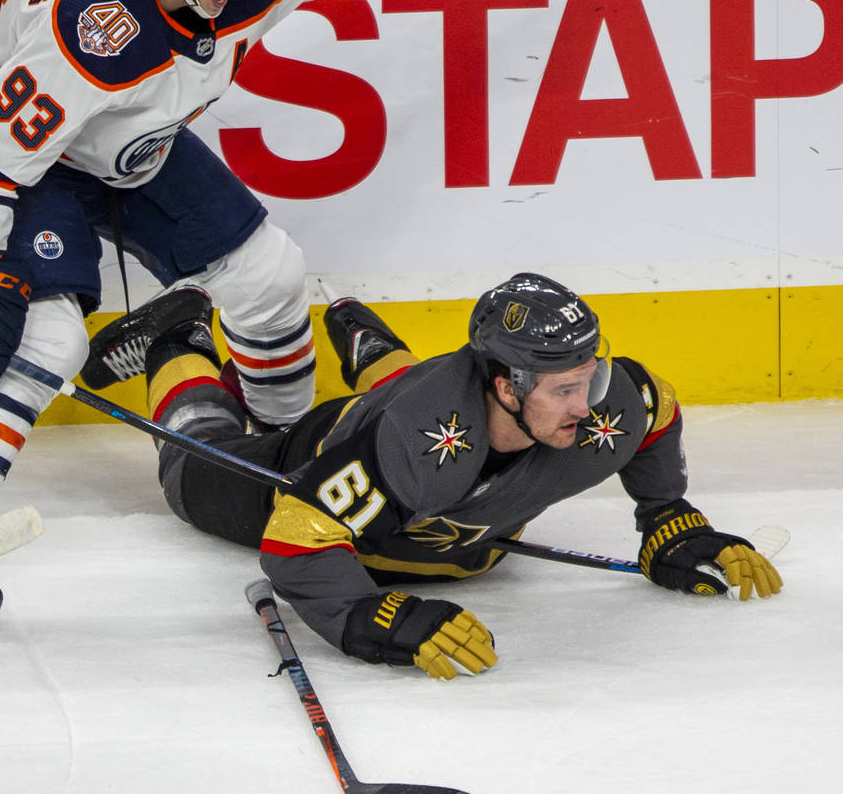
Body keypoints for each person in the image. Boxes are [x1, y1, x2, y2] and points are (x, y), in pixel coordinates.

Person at [0, 0, 520, 637]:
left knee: (270, 276)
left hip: (134, 141)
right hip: (28, 159)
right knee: (43, 339)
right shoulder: (91, 33)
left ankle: (275, 470)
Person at [84, 275, 782, 679]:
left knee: (422, 417)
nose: (588, 404)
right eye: (564, 390)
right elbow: (296, 540)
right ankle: (179, 337)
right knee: (190, 462)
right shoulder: (412, 442)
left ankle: (365, 338)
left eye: (588, 378)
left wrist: (665, 517)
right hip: (311, 462)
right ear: (506, 385)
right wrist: (371, 617)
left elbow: (654, 405)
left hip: (417, 443)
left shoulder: (603, 404)